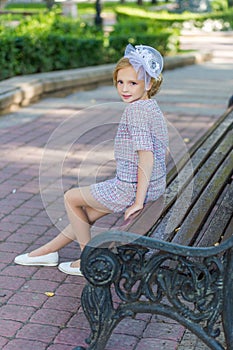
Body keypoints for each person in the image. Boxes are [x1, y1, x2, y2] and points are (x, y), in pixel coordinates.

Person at [14, 44, 169, 276]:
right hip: (152, 187)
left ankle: (87, 260)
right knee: (85, 215)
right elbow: (161, 152)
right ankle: (47, 252)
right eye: (120, 82)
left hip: (130, 189)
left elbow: (146, 156)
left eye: (133, 83)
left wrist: (137, 202)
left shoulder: (136, 112)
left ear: (149, 83)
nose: (125, 89)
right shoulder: (151, 107)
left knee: (71, 198)